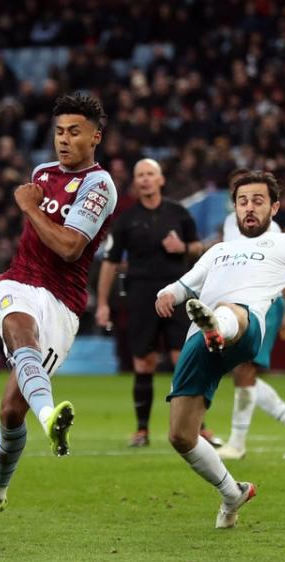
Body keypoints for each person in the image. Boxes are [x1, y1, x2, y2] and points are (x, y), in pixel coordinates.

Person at [154, 171, 285, 528]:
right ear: (234, 208)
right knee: (180, 436)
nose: (249, 208)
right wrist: (167, 295)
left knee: (228, 311)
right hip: (200, 339)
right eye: (242, 202)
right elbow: (182, 286)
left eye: (258, 201)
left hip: (246, 325)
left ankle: (217, 326)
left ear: (275, 207)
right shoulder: (218, 250)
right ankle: (231, 492)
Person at [0, 93, 117, 535]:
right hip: (19, 284)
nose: (64, 140)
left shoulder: (99, 186)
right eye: (59, 131)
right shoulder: (42, 174)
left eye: (74, 132)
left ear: (95, 137)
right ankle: (50, 419)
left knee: (9, 410)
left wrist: (27, 205)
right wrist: (10, 272)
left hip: (62, 303)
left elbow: (68, 247)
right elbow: (35, 243)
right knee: (19, 337)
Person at [95, 158, 205, 447]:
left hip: (177, 292)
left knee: (184, 359)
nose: (145, 179)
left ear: (160, 180)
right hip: (141, 295)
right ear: (135, 181)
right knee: (143, 362)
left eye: (150, 174)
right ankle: (142, 431)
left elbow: (199, 247)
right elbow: (110, 262)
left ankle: (199, 427)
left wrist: (182, 247)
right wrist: (103, 302)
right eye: (140, 175)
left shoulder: (178, 213)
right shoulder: (126, 219)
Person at [214, 172, 285, 461]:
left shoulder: (272, 228)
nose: (246, 203)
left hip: (267, 305)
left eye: (252, 197)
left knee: (244, 370)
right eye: (239, 196)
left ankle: (237, 443)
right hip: (237, 304)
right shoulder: (228, 224)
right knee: (242, 373)